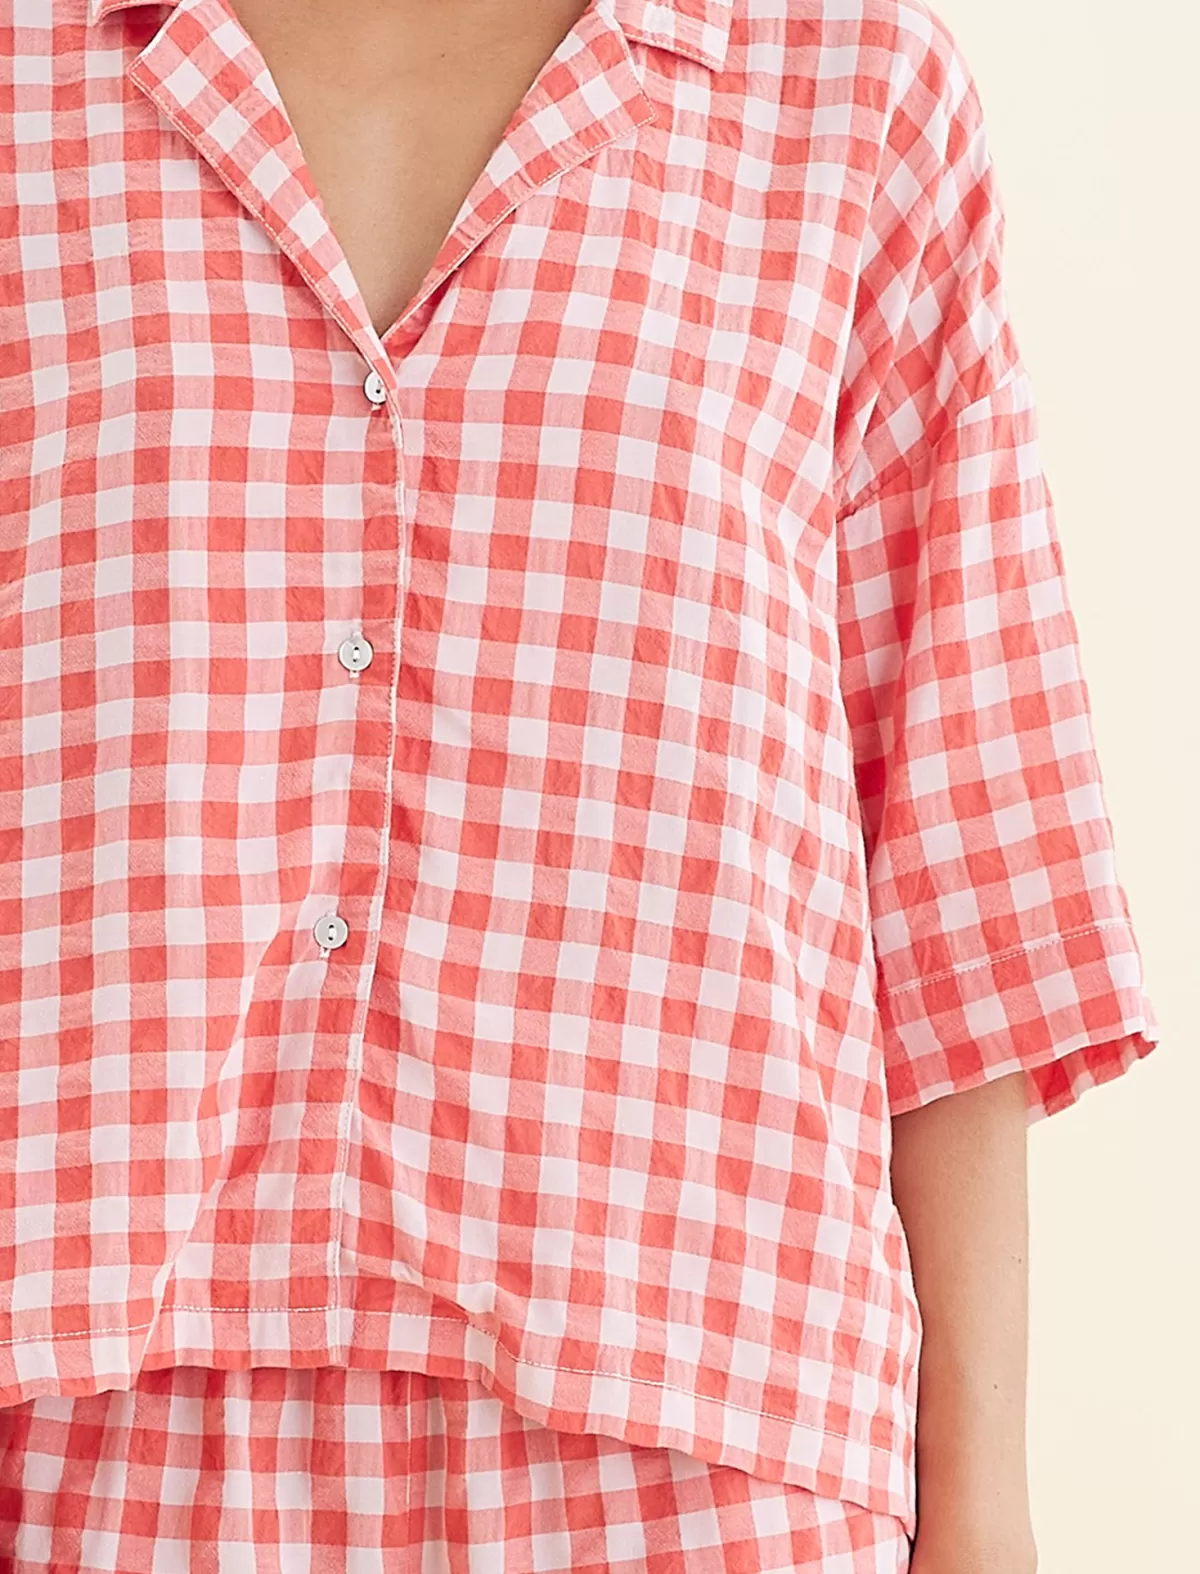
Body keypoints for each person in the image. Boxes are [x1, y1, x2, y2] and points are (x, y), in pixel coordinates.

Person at [0, 0, 1160, 1569]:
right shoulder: (26, 81)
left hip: (701, 1429)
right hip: (80, 1420)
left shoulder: (850, 95)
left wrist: (985, 1513)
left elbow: (960, 859)